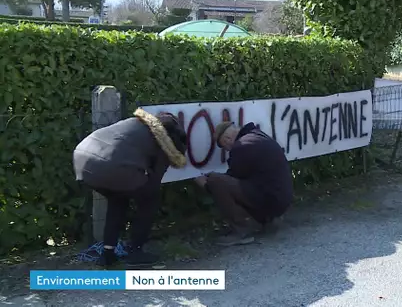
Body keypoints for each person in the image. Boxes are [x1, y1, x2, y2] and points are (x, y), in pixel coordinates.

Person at [73, 108, 188, 267]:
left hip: (82, 158)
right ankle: (136, 252)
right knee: (150, 200)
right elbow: (153, 184)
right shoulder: (165, 142)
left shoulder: (135, 123)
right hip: (111, 164)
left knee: (118, 199)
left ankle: (108, 254)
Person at [194, 121, 294, 246]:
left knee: (215, 180)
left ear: (227, 139)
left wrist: (206, 184)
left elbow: (230, 181)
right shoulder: (258, 136)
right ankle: (268, 219)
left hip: (270, 199)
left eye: (225, 146)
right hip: (281, 199)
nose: (228, 150)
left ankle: (240, 230)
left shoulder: (242, 146)